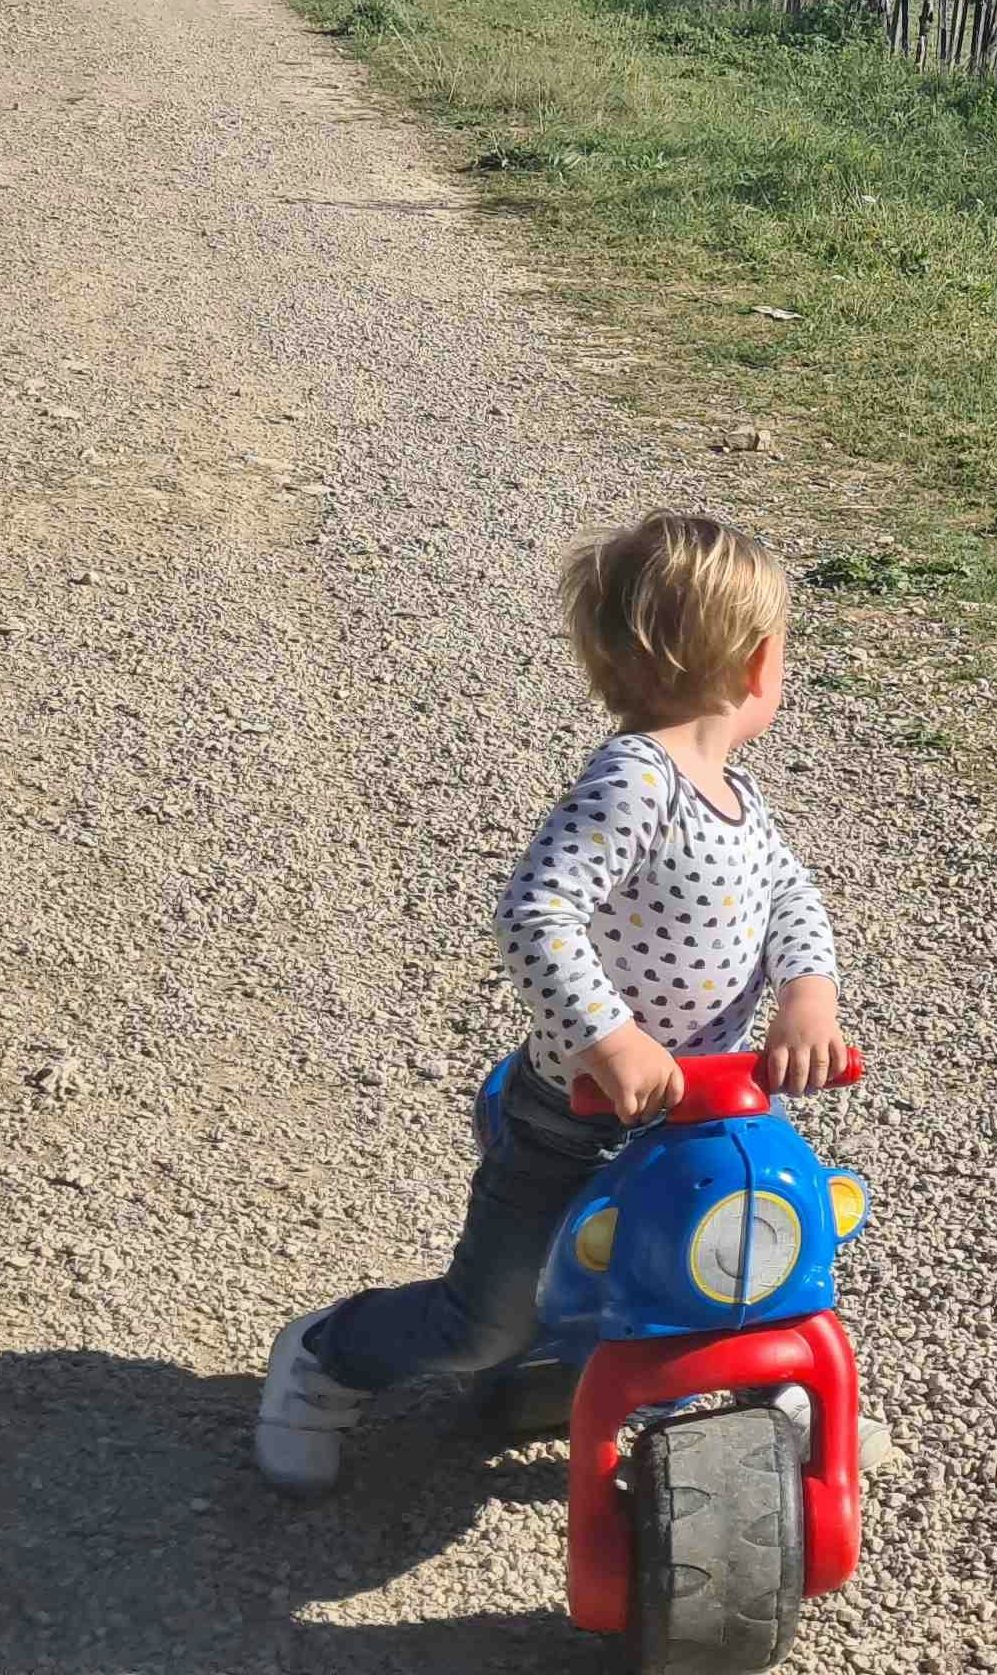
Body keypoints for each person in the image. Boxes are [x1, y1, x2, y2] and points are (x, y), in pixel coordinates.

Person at [253, 512, 852, 1495]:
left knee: (754, 1252)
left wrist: (809, 997)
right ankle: (329, 1355)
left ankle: (764, 1384)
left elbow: (794, 899)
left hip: (713, 1106)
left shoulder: (740, 798)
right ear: (760, 664)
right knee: (489, 1322)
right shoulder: (636, 784)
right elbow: (537, 911)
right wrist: (607, 1038)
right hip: (576, 1121)